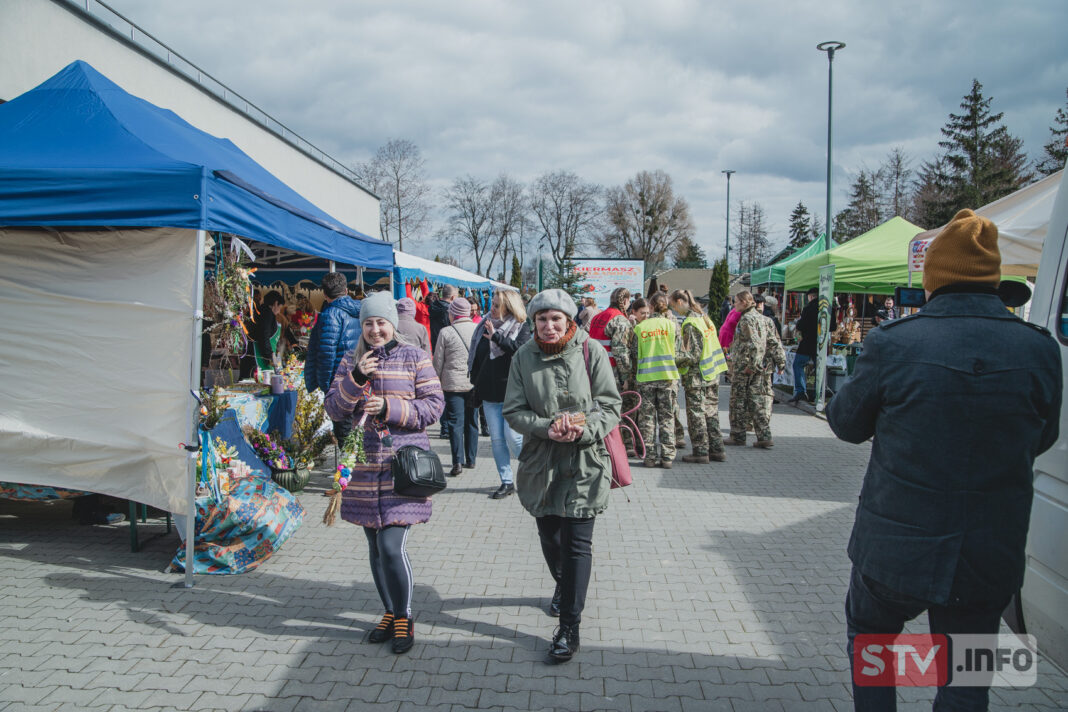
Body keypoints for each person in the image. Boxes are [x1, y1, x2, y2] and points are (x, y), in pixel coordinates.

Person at [827, 209, 1062, 711]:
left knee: (873, 645)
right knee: (966, 679)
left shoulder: (893, 343)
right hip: (987, 551)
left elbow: (846, 424)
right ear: (993, 279)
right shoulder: (1039, 349)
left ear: (933, 280)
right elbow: (1044, 437)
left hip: (893, 548)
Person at [503, 288, 621, 663]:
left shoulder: (591, 351)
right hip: (542, 462)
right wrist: (546, 428)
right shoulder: (523, 357)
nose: (549, 325)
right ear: (533, 321)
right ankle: (563, 583)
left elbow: (610, 405)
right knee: (550, 536)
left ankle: (569, 627)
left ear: (569, 321)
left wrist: (584, 429)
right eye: (542, 319)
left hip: (586, 461)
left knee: (577, 545)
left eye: (556, 318)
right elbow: (513, 410)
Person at [323, 291, 445, 655]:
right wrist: (356, 378)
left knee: (391, 547)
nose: (375, 330)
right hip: (362, 469)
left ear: (392, 323)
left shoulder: (414, 357)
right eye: (368, 323)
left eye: (381, 323)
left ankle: (404, 616)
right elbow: (334, 408)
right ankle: (389, 612)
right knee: (375, 548)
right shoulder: (351, 360)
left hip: (401, 467)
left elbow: (434, 406)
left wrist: (391, 407)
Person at [469, 290, 531, 498]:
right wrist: (475, 382)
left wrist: (496, 337)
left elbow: (520, 351)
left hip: (513, 392)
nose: (492, 309)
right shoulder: (484, 324)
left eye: (497, 305)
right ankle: (506, 481)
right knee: (496, 439)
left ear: (509, 307)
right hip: (489, 391)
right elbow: (478, 356)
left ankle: (533, 472)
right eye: (492, 304)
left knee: (513, 437)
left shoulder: (522, 326)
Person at [670, 289, 728, 463]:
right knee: (711, 413)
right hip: (712, 372)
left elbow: (693, 355)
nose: (674, 310)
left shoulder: (690, 323)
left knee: (696, 414)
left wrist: (673, 359)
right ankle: (717, 449)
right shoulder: (704, 318)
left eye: (674, 306)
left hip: (698, 376)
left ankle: (700, 451)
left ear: (680, 302)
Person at [305, 273, 363, 442]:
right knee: (357, 428)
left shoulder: (330, 314)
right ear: (346, 290)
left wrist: (325, 386)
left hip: (340, 380)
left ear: (324, 294)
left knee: (344, 431)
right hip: (360, 375)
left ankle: (350, 459)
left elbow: (326, 354)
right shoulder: (361, 311)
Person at [630, 292, 683, 468]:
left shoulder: (640, 328)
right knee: (667, 417)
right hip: (668, 378)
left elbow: (634, 353)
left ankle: (650, 457)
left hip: (646, 378)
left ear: (651, 307)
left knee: (647, 419)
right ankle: (667, 457)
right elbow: (678, 351)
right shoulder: (672, 326)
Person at [433, 297, 479, 476]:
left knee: (455, 423)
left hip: (452, 384)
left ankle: (457, 462)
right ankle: (471, 459)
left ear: (453, 314)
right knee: (472, 422)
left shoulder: (446, 332)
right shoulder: (477, 329)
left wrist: (436, 381)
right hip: (473, 383)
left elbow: (438, 360)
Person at [589, 288, 637, 455]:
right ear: (625, 301)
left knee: (599, 407)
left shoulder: (597, 317)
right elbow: (620, 351)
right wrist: (626, 377)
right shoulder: (620, 320)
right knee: (621, 407)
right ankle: (624, 444)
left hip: (595, 371)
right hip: (613, 372)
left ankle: (600, 441)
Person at [726, 291, 776, 448]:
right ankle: (764, 436)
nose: (734, 305)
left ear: (744, 302)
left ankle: (737, 435)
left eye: (736, 302)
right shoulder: (761, 317)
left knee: (738, 402)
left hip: (745, 367)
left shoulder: (747, 319)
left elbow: (756, 344)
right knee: (756, 401)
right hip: (754, 366)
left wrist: (752, 366)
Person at [789, 286, 836, 404]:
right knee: (819, 368)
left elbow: (801, 326)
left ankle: (801, 391)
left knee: (798, 364)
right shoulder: (828, 308)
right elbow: (833, 327)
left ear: (811, 297)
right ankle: (819, 393)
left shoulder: (808, 308)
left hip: (807, 343)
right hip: (821, 343)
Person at [245, 290, 286, 378]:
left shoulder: (261, 311)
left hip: (253, 354)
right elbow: (264, 335)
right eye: (279, 308)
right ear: (275, 303)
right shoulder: (267, 313)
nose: (279, 311)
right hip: (258, 356)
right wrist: (270, 355)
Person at [429, 284, 457, 351]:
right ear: (453, 297)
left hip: (434, 343)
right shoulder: (449, 311)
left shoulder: (433, 306)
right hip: (447, 345)